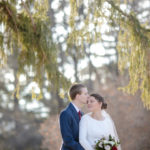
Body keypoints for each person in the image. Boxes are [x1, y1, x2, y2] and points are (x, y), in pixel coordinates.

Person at [59, 83, 89, 150]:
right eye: (85, 94)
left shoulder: (82, 114)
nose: (88, 96)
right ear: (78, 96)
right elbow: (68, 141)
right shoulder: (65, 114)